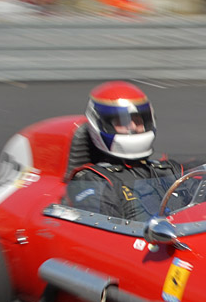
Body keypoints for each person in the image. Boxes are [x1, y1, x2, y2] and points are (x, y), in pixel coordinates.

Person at [67, 81, 184, 221]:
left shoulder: (167, 169)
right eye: (122, 122)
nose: (133, 127)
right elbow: (106, 235)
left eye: (138, 121)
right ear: (101, 125)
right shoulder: (94, 180)